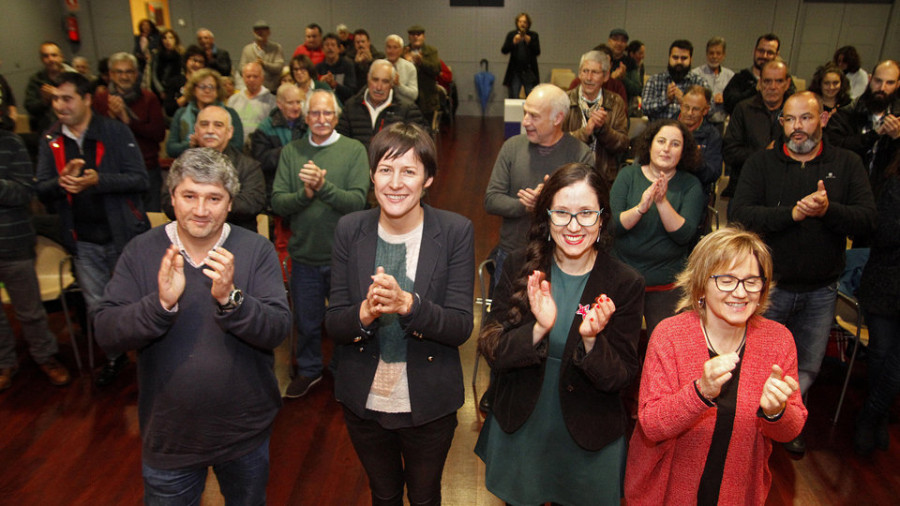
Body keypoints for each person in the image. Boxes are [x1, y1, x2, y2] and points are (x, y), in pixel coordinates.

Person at [94, 147, 291, 505]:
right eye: (190, 196)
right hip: (171, 436)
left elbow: (277, 329)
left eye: (214, 198)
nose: (201, 210)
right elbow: (107, 331)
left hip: (244, 432)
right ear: (172, 198)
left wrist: (231, 299)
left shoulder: (255, 250)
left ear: (230, 203)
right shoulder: (141, 251)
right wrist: (161, 304)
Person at [475, 162, 644, 505]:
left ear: (602, 218)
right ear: (546, 217)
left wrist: (593, 341)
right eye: (562, 213)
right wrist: (538, 329)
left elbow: (621, 378)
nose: (573, 226)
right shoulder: (520, 265)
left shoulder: (625, 283)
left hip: (588, 438)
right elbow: (493, 348)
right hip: (523, 427)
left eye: (585, 214)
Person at [324, 122, 474, 505]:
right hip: (364, 400)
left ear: (428, 179)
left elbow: (459, 326)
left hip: (429, 400)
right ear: (372, 175)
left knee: (424, 497)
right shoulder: (349, 229)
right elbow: (335, 322)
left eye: (409, 171)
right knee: (384, 494)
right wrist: (365, 312)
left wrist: (410, 306)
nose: (395, 182)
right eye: (386, 169)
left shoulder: (455, 231)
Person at [730, 91, 877, 454]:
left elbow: (868, 220)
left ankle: (788, 424)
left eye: (806, 119)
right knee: (753, 359)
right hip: (768, 287)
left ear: (822, 119)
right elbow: (740, 214)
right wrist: (791, 214)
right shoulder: (761, 164)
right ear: (781, 123)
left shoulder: (847, 163)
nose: (798, 128)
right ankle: (747, 426)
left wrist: (829, 210)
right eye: (790, 120)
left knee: (807, 366)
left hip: (821, 288)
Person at [625, 227, 807, 505]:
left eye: (751, 281)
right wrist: (700, 392)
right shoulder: (670, 336)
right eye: (726, 280)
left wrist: (776, 412)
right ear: (701, 284)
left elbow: (791, 430)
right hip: (667, 489)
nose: (740, 292)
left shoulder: (778, 341)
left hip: (739, 489)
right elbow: (651, 424)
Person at [34, 72, 149, 386]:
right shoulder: (51, 139)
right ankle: (114, 358)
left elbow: (140, 179)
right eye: (55, 99)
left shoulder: (114, 130)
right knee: (98, 305)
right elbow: (41, 190)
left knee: (136, 300)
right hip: (82, 239)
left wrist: (99, 180)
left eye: (67, 98)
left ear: (86, 99)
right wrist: (61, 183)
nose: (60, 105)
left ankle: (150, 360)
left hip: (123, 234)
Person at [272, 90, 370, 399]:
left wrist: (322, 186)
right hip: (304, 255)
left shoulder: (354, 150)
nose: (321, 119)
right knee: (308, 321)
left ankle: (346, 370)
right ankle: (310, 371)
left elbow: (356, 202)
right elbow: (278, 203)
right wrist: (306, 194)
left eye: (327, 114)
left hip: (345, 257)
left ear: (337, 117)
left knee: (346, 322)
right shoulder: (291, 152)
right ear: (305, 117)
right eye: (314, 113)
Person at [484, 84, 594, 283]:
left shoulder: (580, 155)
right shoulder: (512, 147)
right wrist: (524, 205)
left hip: (559, 258)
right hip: (511, 253)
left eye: (534, 116)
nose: (525, 122)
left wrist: (547, 203)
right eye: (525, 113)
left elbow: (589, 211)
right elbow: (491, 200)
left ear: (557, 118)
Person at [610, 119, 705, 337]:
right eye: (661, 141)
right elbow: (612, 226)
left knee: (665, 346)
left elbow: (684, 235)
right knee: (619, 345)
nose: (666, 148)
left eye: (675, 144)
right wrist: (641, 208)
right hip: (624, 279)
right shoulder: (628, 175)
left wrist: (662, 202)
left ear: (684, 151)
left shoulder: (690, 185)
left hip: (667, 284)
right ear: (650, 144)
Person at [0, 129, 71, 391]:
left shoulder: (11, 143)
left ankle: (45, 357)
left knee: (30, 311)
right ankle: (5, 362)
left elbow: (24, 191)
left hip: (13, 242)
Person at [855, 153, 900, 456]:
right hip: (886, 283)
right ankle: (878, 416)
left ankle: (870, 414)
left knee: (896, 363)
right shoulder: (893, 184)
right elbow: (878, 234)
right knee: (881, 355)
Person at [162, 105, 265, 232]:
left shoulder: (249, 167)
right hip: (189, 238)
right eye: (204, 124)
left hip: (235, 238)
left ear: (230, 132)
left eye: (218, 125)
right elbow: (168, 202)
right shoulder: (181, 164)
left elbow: (251, 205)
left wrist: (197, 204)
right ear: (196, 130)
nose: (210, 130)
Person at [92, 52, 166, 212]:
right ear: (111, 74)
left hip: (147, 168)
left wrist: (128, 121)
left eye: (129, 72)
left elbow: (158, 134)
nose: (124, 77)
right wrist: (111, 117)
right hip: (113, 169)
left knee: (151, 216)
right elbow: (95, 135)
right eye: (119, 72)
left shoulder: (149, 98)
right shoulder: (100, 99)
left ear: (136, 74)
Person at [825, 60, 900, 202]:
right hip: (847, 191)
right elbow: (835, 146)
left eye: (889, 83)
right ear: (870, 79)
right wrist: (874, 135)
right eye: (878, 81)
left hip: (885, 196)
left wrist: (897, 139)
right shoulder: (847, 113)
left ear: (897, 85)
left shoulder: (898, 117)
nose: (882, 88)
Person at [722, 60, 792, 200]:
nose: (772, 87)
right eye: (767, 81)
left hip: (785, 188)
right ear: (759, 83)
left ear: (787, 84)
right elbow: (729, 152)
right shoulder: (743, 109)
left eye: (778, 81)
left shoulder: (796, 112)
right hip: (745, 186)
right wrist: (763, 154)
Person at [562, 50, 629, 181]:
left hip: (603, 177)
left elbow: (623, 145)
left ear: (606, 76)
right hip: (569, 175)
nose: (588, 78)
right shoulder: (564, 100)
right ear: (579, 73)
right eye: (585, 71)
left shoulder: (615, 102)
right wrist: (585, 131)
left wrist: (603, 129)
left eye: (595, 72)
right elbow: (557, 142)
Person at [337, 59, 426, 148]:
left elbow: (421, 145)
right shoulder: (351, 106)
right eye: (375, 80)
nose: (379, 87)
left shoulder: (408, 110)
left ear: (392, 83)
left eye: (385, 81)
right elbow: (340, 143)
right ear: (368, 78)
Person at [166, 68, 244, 158]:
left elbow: (237, 147)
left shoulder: (230, 113)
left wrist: (211, 143)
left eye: (211, 87)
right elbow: (171, 149)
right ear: (194, 90)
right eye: (202, 87)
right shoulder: (181, 114)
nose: (207, 91)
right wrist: (190, 145)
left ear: (217, 91)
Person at [251, 83, 308, 205]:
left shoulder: (308, 125)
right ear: (279, 104)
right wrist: (287, 152)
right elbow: (260, 161)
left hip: (303, 186)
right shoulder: (265, 128)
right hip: (275, 189)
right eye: (290, 103)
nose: (296, 107)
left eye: (298, 102)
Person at [723, 33, 793, 115]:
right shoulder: (740, 78)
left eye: (770, 53)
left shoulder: (785, 80)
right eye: (761, 51)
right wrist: (754, 90)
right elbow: (730, 106)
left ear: (776, 55)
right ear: (755, 51)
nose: (764, 56)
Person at [642, 39, 707, 121]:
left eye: (684, 58)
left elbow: (710, 111)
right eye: (675, 57)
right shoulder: (654, 80)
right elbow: (644, 108)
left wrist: (685, 102)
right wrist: (666, 99)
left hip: (689, 132)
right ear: (669, 58)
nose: (679, 62)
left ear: (691, 59)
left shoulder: (699, 82)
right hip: (659, 131)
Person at [25, 42, 75, 134]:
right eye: (46, 56)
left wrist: (58, 95)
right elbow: (30, 106)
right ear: (41, 59)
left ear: (61, 57)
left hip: (72, 126)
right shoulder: (36, 80)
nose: (51, 59)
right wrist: (44, 101)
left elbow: (82, 101)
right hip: (47, 130)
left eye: (54, 55)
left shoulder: (73, 77)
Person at [691, 36, 734, 132]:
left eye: (718, 53)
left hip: (720, 123)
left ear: (723, 55)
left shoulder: (730, 76)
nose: (714, 57)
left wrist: (725, 98)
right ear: (706, 54)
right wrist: (711, 100)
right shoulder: (696, 74)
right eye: (711, 53)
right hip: (700, 122)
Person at [227, 61, 276, 142]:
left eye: (255, 76)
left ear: (262, 78)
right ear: (243, 77)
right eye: (248, 76)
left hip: (261, 145)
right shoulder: (233, 100)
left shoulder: (272, 101)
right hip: (237, 146)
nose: (251, 79)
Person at [404, 25, 441, 125]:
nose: (415, 37)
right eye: (412, 35)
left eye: (418, 34)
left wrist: (422, 63)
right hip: (409, 100)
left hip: (427, 100)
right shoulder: (404, 52)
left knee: (426, 130)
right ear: (409, 37)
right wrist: (406, 62)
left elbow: (437, 69)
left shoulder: (431, 51)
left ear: (423, 36)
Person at [501, 12, 541, 99]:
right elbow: (504, 50)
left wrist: (529, 41)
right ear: (517, 23)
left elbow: (537, 52)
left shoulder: (533, 35)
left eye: (524, 22)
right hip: (515, 71)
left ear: (528, 24)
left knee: (531, 97)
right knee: (514, 96)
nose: (522, 24)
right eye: (520, 22)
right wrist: (513, 42)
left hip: (529, 71)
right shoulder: (512, 35)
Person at [239, 20, 285, 93]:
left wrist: (264, 64)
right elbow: (241, 69)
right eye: (257, 31)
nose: (260, 33)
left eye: (263, 30)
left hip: (272, 90)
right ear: (254, 32)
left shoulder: (276, 48)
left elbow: (279, 67)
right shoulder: (247, 49)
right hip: (252, 90)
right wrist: (253, 68)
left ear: (268, 32)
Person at [163, 44, 206, 117]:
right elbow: (169, 110)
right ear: (186, 61)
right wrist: (187, 95)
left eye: (201, 62)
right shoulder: (175, 81)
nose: (197, 65)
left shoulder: (207, 83)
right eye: (194, 60)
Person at [315, 33, 357, 103]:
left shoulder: (348, 65)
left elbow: (352, 92)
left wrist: (335, 85)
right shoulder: (318, 68)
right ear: (322, 49)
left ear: (339, 49)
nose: (330, 48)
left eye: (333, 45)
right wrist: (321, 84)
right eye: (327, 45)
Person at [384, 34, 418, 103]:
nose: (391, 51)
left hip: (404, 107)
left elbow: (414, 95)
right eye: (389, 47)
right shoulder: (378, 66)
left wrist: (399, 86)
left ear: (401, 50)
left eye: (395, 47)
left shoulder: (409, 67)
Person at [153, 28, 184, 101]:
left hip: (176, 89)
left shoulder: (181, 55)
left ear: (175, 40)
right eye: (164, 38)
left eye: (170, 38)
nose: (167, 41)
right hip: (160, 89)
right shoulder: (157, 55)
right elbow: (154, 74)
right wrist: (161, 90)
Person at [351, 29, 385, 93]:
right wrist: (356, 64)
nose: (360, 45)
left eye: (363, 42)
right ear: (354, 44)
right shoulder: (349, 58)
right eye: (357, 42)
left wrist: (371, 61)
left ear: (368, 42)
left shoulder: (379, 56)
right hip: (356, 92)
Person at [133, 19, 160, 83]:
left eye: (147, 25)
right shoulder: (138, 38)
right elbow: (136, 50)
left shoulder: (156, 37)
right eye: (143, 25)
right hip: (142, 63)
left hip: (153, 62)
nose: (145, 27)